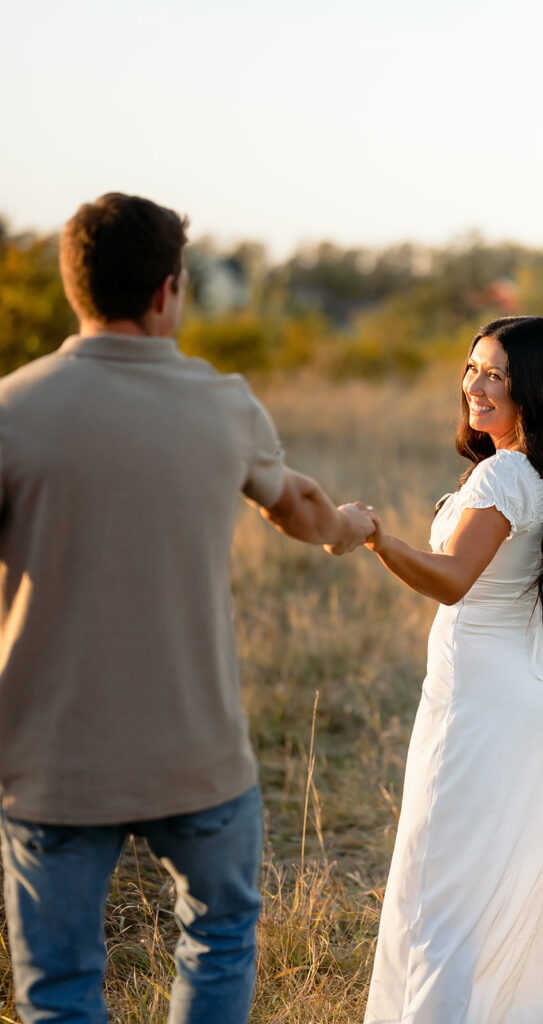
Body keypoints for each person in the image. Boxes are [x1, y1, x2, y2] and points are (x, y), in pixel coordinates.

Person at [0, 192, 373, 1024]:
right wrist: (351, 528)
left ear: (73, 285)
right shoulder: (222, 403)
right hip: (196, 755)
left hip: (51, 764)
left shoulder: (13, 411)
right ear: (167, 290)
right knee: (219, 935)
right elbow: (302, 508)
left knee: (58, 988)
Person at [352, 317, 543, 1024]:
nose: (475, 386)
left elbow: (453, 579)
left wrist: (379, 538)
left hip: (478, 701)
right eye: (472, 368)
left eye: (496, 375)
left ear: (533, 390)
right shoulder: (540, 468)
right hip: (522, 688)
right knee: (498, 862)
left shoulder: (504, 474)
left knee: (445, 876)